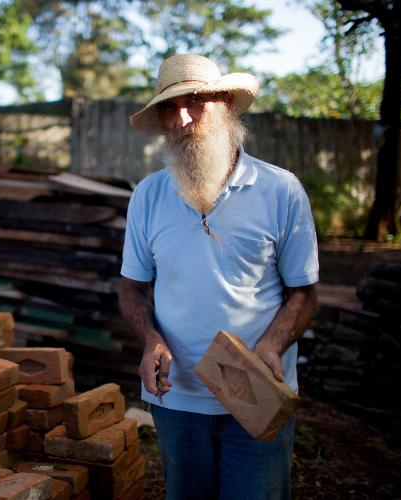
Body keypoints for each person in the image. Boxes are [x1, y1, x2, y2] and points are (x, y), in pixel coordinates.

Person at [118, 54, 319, 500]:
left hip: (257, 390)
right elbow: (132, 289)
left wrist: (272, 345)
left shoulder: (280, 190)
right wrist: (150, 339)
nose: (182, 117)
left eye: (196, 101)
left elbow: (303, 293)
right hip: (177, 399)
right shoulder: (149, 195)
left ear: (226, 103)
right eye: (169, 107)